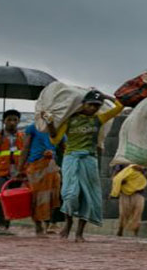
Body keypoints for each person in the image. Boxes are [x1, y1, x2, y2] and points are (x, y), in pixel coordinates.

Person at [48, 91, 124, 241]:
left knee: (88, 195)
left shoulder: (99, 119)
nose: (93, 108)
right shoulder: (70, 119)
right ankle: (68, 224)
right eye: (91, 104)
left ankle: (79, 233)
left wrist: (104, 96)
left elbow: (120, 106)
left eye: (97, 106)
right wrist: (50, 124)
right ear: (83, 104)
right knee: (70, 194)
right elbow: (55, 140)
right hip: (71, 158)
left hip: (90, 159)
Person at [19, 119, 63, 236]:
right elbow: (26, 148)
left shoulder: (60, 128)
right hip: (36, 166)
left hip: (52, 166)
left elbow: (64, 148)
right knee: (37, 197)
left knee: (53, 196)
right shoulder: (33, 128)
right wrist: (20, 168)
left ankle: (49, 225)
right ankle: (38, 226)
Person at [0, 110, 25, 235]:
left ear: (18, 121)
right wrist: (0, 142)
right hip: (0, 172)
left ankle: (9, 222)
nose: (12, 122)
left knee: (14, 199)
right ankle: (2, 225)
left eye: (15, 120)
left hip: (18, 173)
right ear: (3, 121)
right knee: (1, 197)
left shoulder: (23, 137)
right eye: (9, 120)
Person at [110, 163, 147, 237]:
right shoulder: (121, 163)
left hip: (138, 192)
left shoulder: (142, 161)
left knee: (138, 213)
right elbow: (115, 177)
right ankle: (120, 230)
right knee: (123, 213)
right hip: (125, 192)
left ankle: (135, 233)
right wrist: (122, 179)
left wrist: (141, 170)